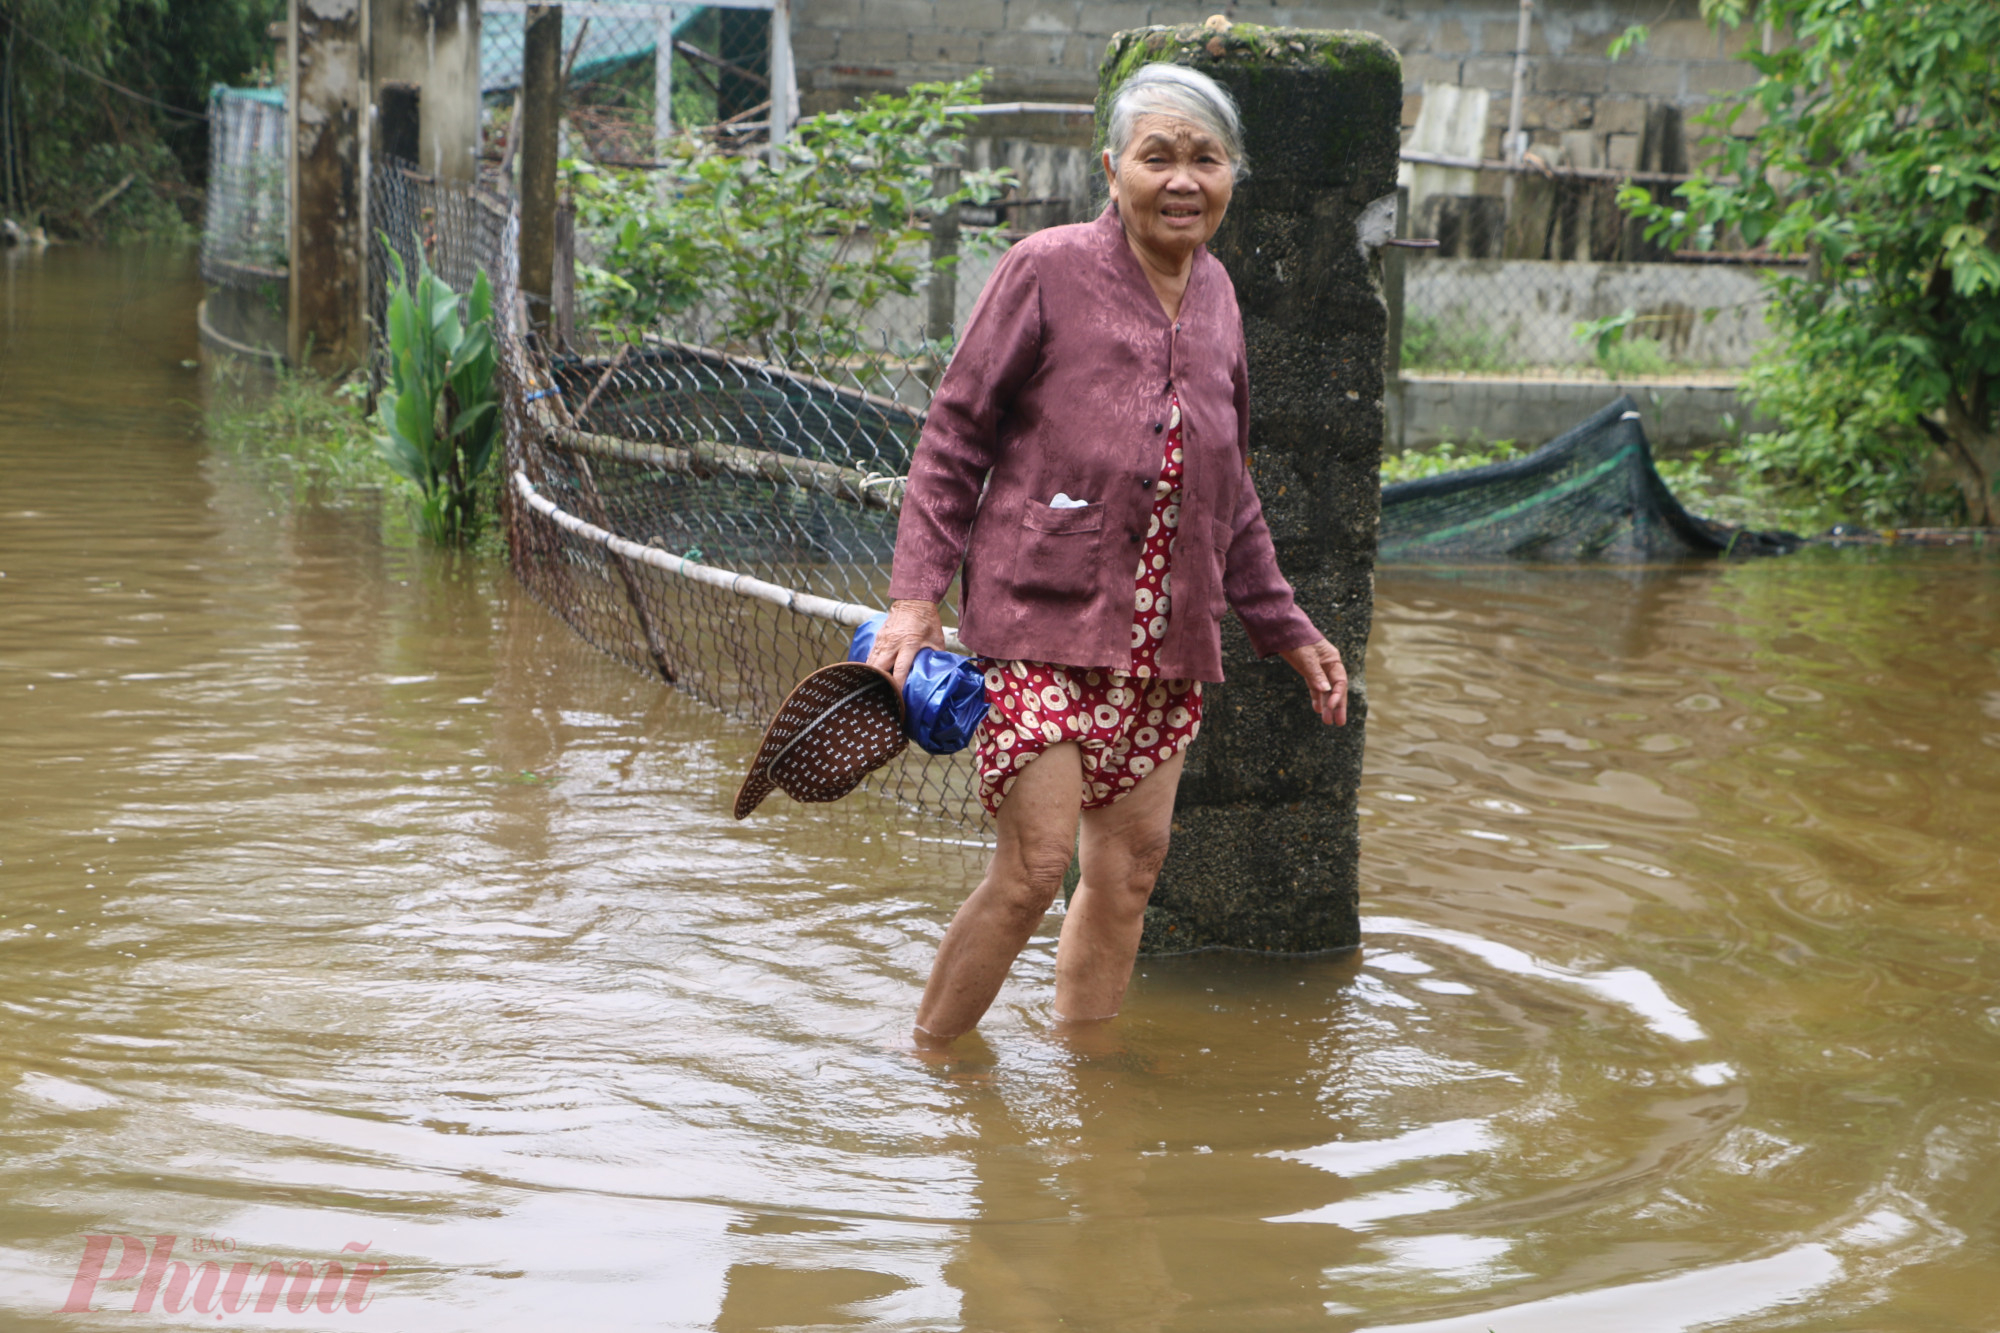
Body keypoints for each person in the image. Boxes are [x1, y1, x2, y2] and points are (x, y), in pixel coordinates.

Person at [868, 63, 1349, 1048]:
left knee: (1127, 873)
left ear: (1231, 178)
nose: (1182, 180)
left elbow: (1230, 489)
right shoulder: (1043, 269)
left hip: (1164, 646)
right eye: (1157, 156)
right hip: (1040, 622)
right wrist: (914, 598)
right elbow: (954, 436)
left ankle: (1085, 1069)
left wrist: (1284, 627)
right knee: (1036, 866)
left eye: (1205, 160)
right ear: (1111, 168)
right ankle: (933, 1062)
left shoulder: (1217, 295)